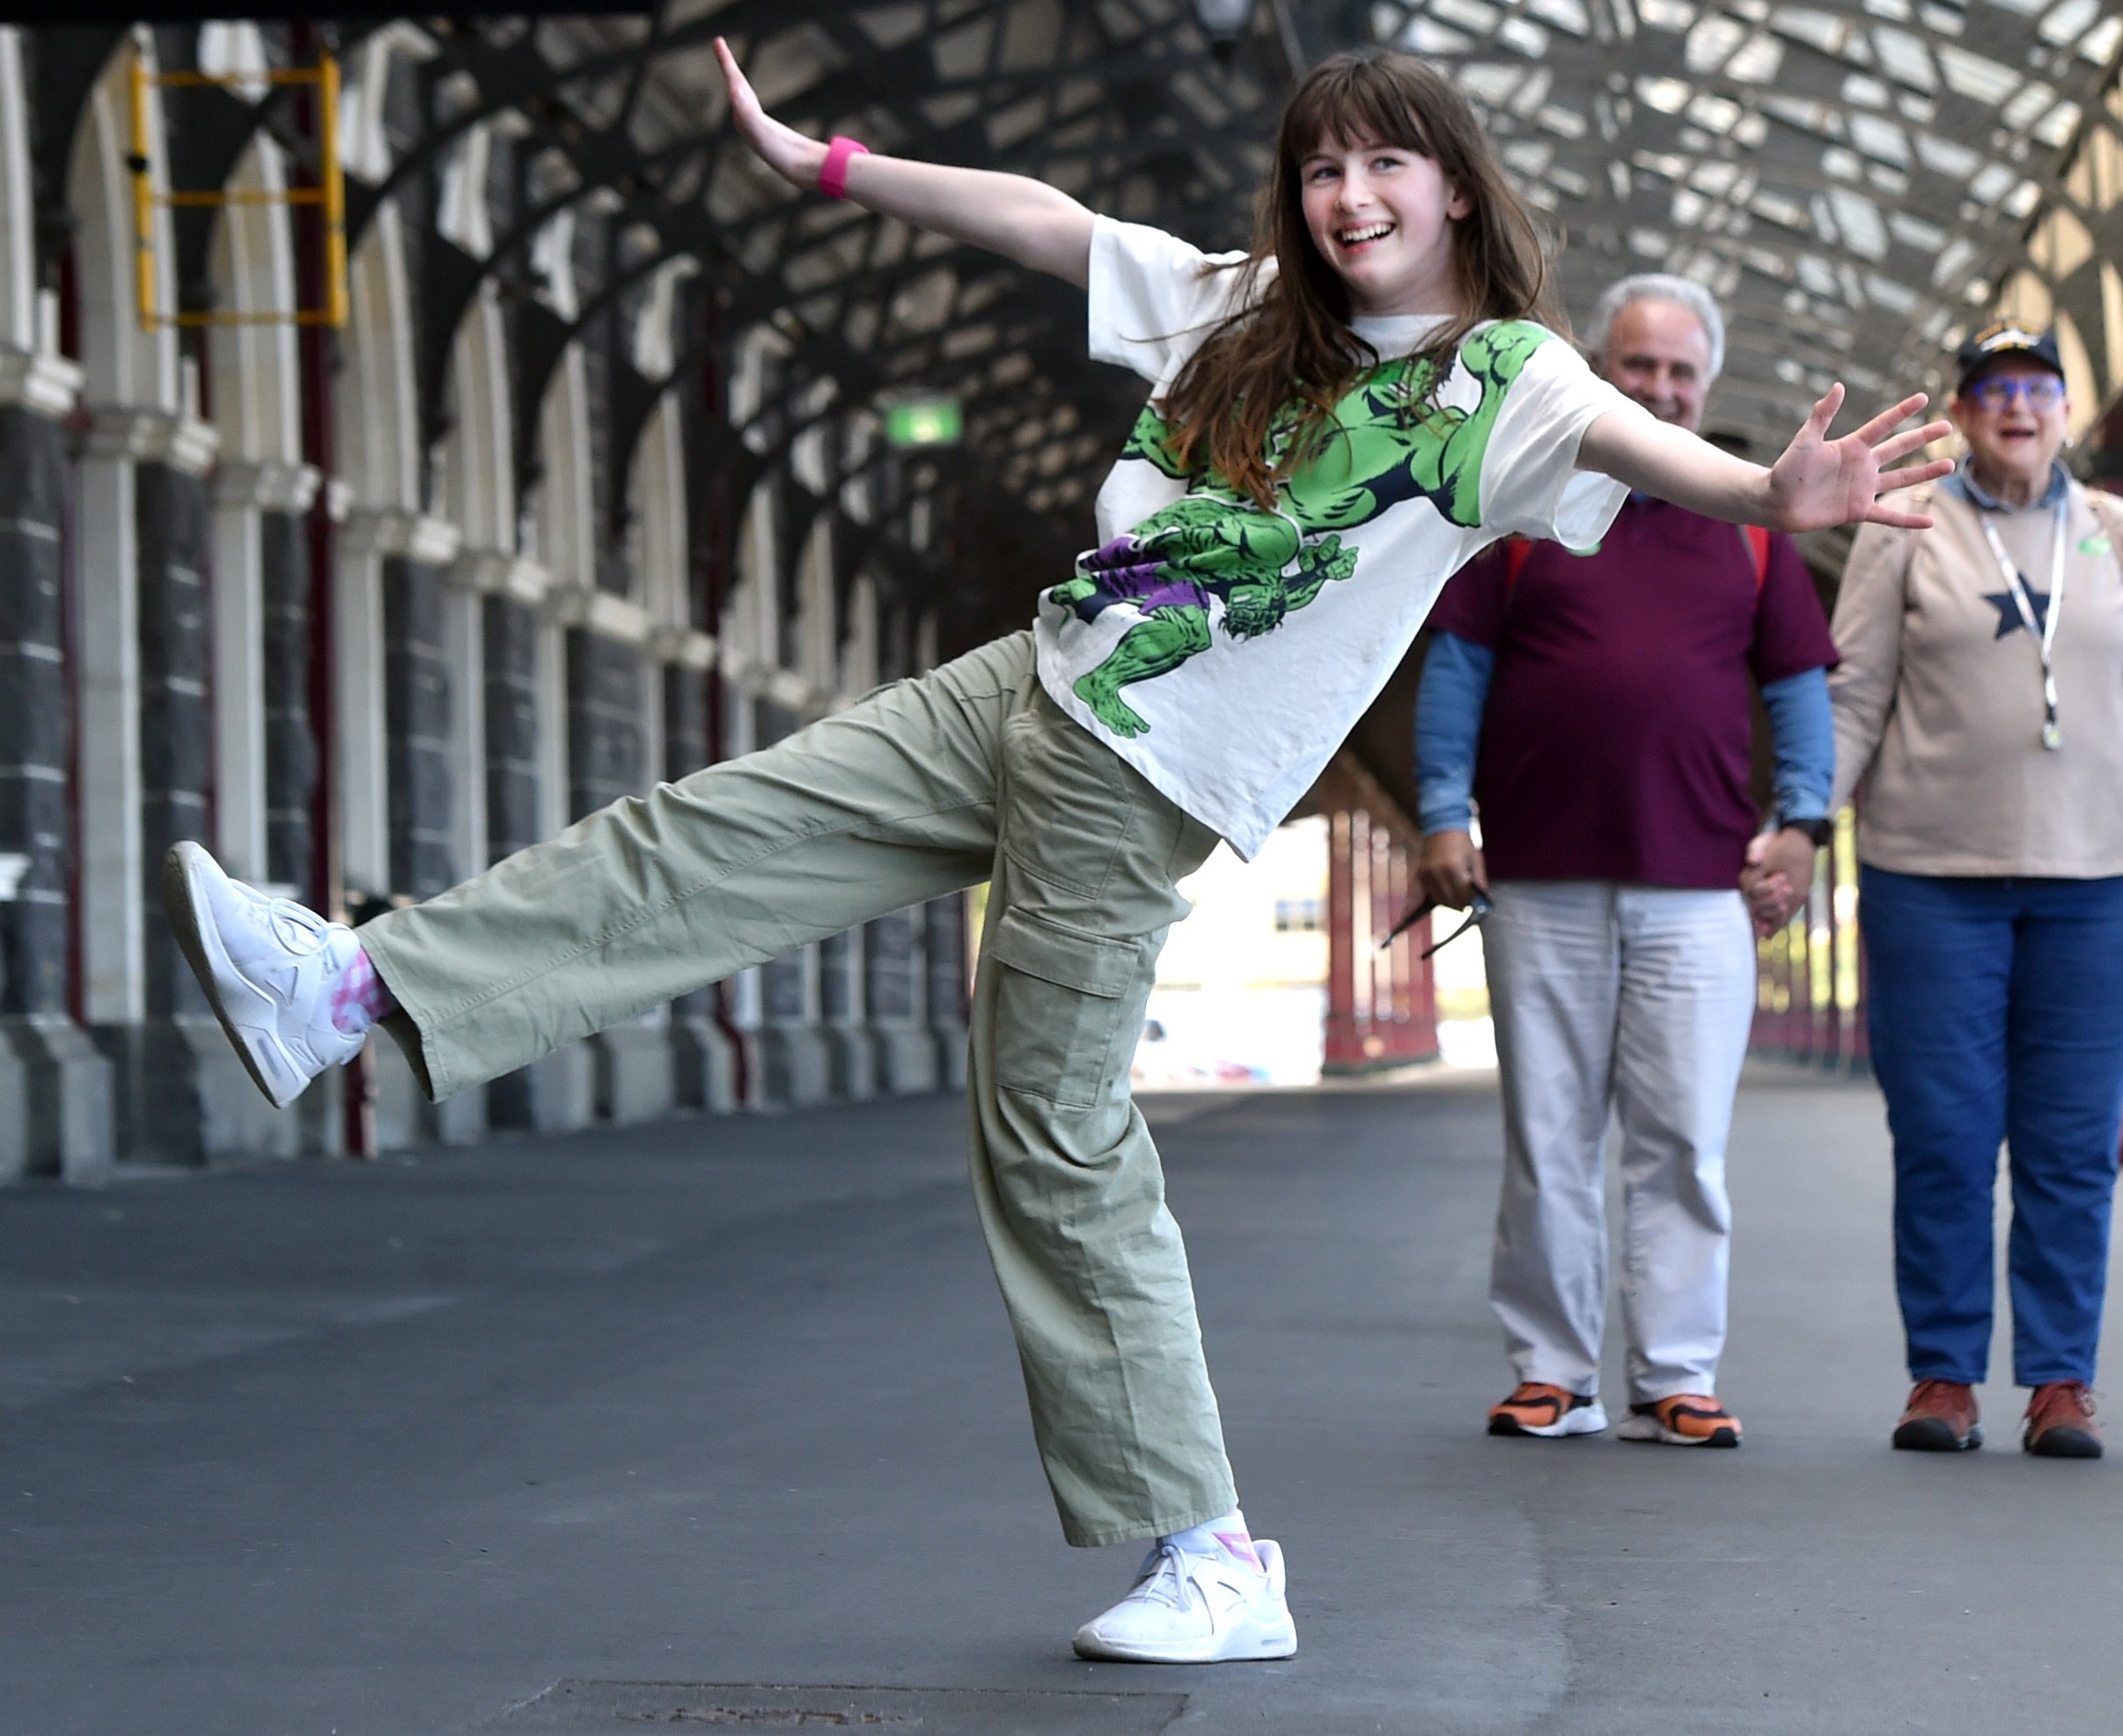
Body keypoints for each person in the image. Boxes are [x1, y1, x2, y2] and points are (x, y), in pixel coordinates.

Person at [156, 45, 1954, 1664]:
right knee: (716, 826)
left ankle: (1215, 1547)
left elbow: (1645, 449)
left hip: (1140, 765)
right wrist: (834, 164)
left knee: (1053, 1130)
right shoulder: (1251, 310)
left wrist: (1760, 496)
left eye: (1385, 165)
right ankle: (351, 983)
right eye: (1323, 168)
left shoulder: (1512, 380)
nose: (1350, 197)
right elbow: (1045, 217)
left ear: (1457, 184)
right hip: (1034, 675)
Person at [1412, 273, 1840, 1450]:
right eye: (1636, 366)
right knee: (1547, 1135)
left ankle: (1675, 1374)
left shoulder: (1753, 530)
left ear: (1705, 389)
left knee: (1683, 1140)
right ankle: (1551, 1370)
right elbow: (1455, 670)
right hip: (1540, 878)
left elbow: (1801, 692)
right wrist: (1444, 812)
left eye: (1678, 373)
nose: (1657, 388)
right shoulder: (1521, 506)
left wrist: (1802, 822)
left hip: (1699, 889)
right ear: (1599, 369)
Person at [1806, 323, 2123, 1461]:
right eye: (1996, 392)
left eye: (2040, 389)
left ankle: (2059, 1381)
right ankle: (1942, 1376)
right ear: (1962, 412)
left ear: (2068, 413)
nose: (2020, 409)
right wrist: (1800, 825)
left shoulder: (2120, 536)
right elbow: (1854, 703)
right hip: (1928, 880)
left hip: (2095, 890)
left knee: (2069, 1144)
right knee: (1942, 1135)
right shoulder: (1905, 528)